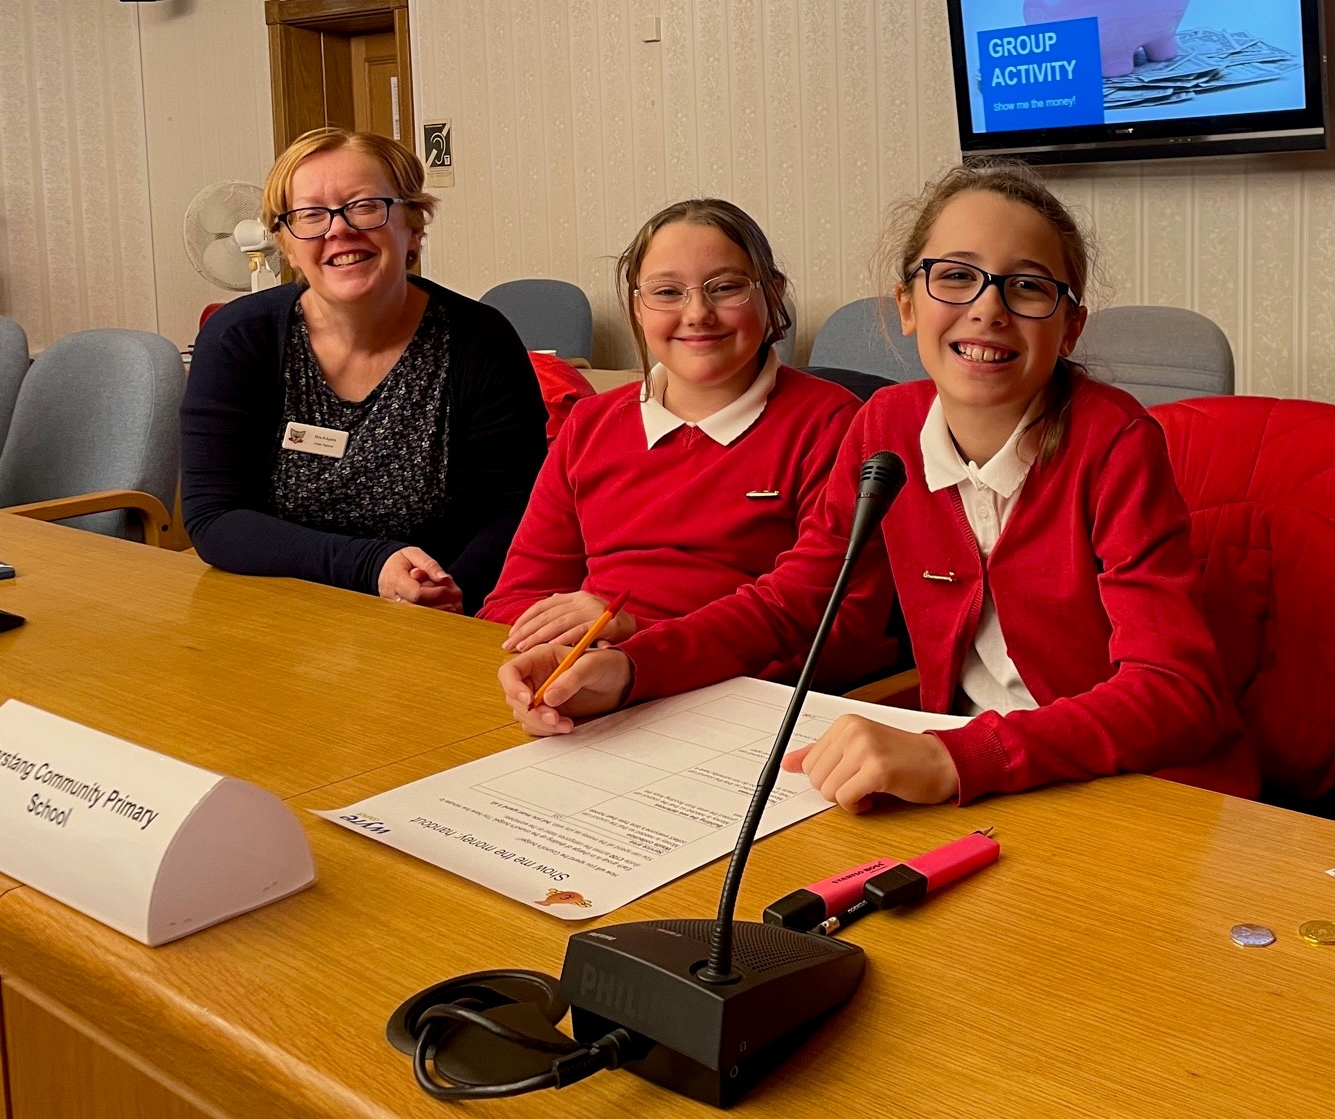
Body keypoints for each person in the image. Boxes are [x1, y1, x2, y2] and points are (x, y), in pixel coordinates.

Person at [499, 160, 1257, 807]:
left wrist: (960, 759)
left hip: (1139, 789)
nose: (987, 309)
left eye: (1027, 288)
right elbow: (796, 602)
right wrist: (634, 669)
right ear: (906, 304)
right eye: (954, 277)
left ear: (1072, 326)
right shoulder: (886, 427)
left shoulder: (1114, 440)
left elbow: (1176, 693)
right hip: (981, 789)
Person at [479, 199, 897, 686]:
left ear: (774, 296)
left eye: (725, 288)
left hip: (740, 701)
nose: (697, 313)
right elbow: (511, 605)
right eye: (667, 292)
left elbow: (844, 635)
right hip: (592, 684)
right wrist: (582, 656)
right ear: (637, 307)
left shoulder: (836, 426)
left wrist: (634, 641)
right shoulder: (588, 424)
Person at [182, 128, 546, 612]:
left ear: (413, 224)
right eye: (309, 215)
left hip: (435, 618)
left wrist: (447, 591)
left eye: (365, 205)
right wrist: (371, 566)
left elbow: (517, 511)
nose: (338, 229)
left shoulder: (480, 340)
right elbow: (215, 516)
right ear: (286, 245)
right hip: (276, 608)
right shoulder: (239, 337)